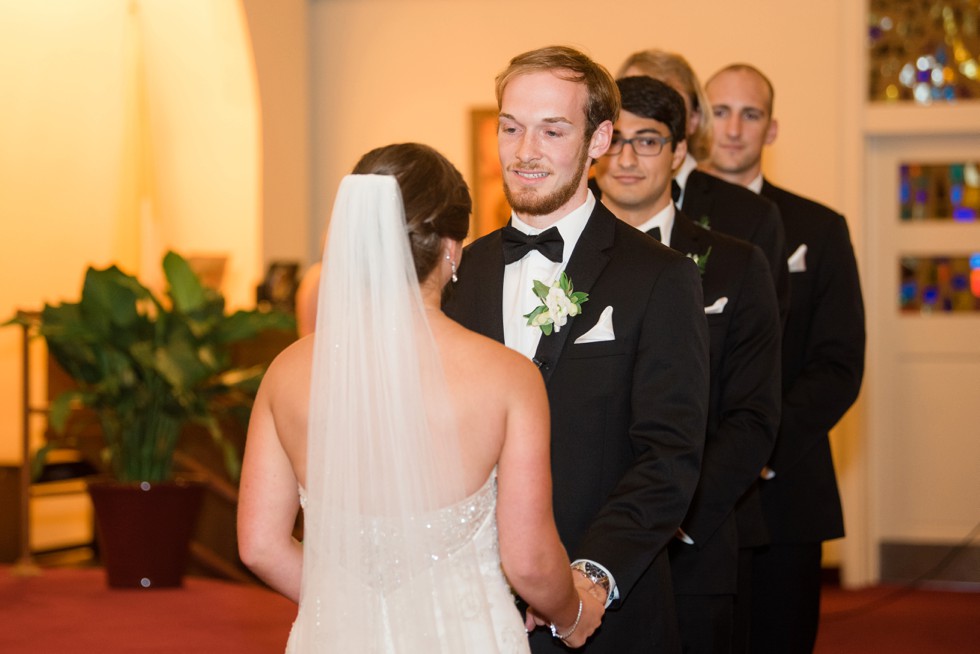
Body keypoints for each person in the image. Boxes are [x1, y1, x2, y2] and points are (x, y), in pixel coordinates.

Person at [237, 142, 603, 652]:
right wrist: (574, 613)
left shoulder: (288, 370)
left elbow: (259, 545)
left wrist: (352, 607)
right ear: (452, 249)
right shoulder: (507, 378)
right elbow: (529, 561)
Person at [444, 46, 709, 654]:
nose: (525, 151)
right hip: (466, 612)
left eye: (552, 130)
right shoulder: (457, 274)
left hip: (604, 620)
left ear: (599, 140)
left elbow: (668, 456)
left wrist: (588, 580)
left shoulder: (660, 278)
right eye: (510, 128)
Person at [593, 75, 782, 654]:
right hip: (576, 544)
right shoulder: (553, 265)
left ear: (678, 153)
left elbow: (752, 415)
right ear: (595, 148)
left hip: (691, 546)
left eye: (647, 141)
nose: (627, 158)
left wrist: (675, 513)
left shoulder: (736, 265)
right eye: (615, 139)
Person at [703, 64, 866, 654]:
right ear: (698, 123)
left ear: (772, 130)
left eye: (751, 114)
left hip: (785, 491)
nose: (734, 129)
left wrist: (757, 450)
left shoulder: (818, 229)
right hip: (689, 492)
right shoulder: (664, 223)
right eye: (721, 111)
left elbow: (838, 362)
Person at [617, 49, 790, 324]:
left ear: (694, 119)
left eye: (666, 100)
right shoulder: (582, 199)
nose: (645, 112)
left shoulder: (750, 213)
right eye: (632, 96)